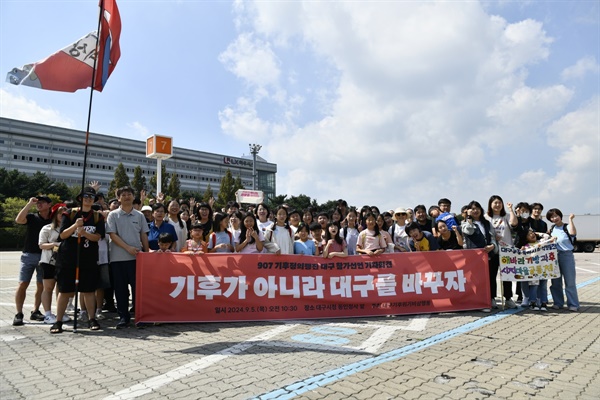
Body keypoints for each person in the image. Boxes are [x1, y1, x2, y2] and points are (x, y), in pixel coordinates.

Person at [51, 187, 105, 333]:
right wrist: (75, 226)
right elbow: (62, 235)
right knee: (64, 290)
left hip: (88, 258)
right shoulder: (69, 213)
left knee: (88, 290)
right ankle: (58, 321)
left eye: (91, 196)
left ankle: (91, 318)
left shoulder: (97, 216)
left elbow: (98, 236)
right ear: (80, 198)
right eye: (85, 196)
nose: (88, 199)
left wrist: (84, 233)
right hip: (68, 258)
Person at [106, 186, 150, 329]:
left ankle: (140, 316)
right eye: (123, 195)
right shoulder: (113, 215)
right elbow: (112, 235)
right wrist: (128, 248)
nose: (126, 197)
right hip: (118, 258)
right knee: (121, 289)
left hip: (137, 258)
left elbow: (144, 235)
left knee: (138, 289)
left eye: (129, 194)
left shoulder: (139, 215)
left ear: (133, 196)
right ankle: (124, 317)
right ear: (118, 198)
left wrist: (147, 253)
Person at [13, 195, 52, 325]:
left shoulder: (53, 219)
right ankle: (19, 313)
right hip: (29, 255)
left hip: (45, 256)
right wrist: (29, 204)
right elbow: (19, 220)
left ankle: (35, 311)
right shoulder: (32, 217)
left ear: (49, 204)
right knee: (23, 283)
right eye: (38, 203)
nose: (39, 204)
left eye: (42, 202)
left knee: (41, 285)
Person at [462, 200, 499, 312]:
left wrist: (492, 246)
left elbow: (492, 237)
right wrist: (469, 219)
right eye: (472, 209)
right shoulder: (465, 223)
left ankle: (491, 298)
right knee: (478, 280)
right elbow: (468, 231)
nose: (475, 211)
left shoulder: (487, 223)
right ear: (468, 211)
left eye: (477, 208)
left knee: (491, 278)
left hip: (489, 255)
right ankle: (481, 302)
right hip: (475, 258)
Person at [486, 195, 518, 308]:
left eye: (500, 202)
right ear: (490, 204)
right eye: (495, 203)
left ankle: (508, 298)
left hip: (507, 251)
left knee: (507, 275)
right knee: (491, 276)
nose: (497, 205)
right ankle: (492, 298)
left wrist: (511, 209)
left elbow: (514, 223)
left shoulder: (506, 216)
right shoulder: (486, 217)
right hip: (493, 251)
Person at [38, 203, 67, 324]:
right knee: (48, 287)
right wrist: (54, 244)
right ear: (55, 215)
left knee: (61, 288)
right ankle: (48, 314)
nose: (62, 215)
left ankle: (61, 312)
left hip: (63, 262)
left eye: (65, 213)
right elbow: (41, 245)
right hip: (48, 261)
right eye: (60, 213)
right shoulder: (47, 228)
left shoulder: (68, 228)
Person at [547, 209, 580, 312]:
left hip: (566, 255)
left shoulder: (567, 227)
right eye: (552, 217)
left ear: (560, 216)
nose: (554, 218)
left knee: (570, 281)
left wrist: (570, 219)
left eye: (556, 216)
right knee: (555, 281)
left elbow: (573, 233)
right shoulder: (552, 228)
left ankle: (573, 304)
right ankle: (558, 303)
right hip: (554, 256)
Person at [521, 228, 552, 311]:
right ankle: (533, 302)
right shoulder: (526, 246)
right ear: (525, 238)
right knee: (534, 286)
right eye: (529, 234)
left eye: (532, 233)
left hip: (544, 268)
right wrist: (522, 251)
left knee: (543, 286)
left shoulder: (541, 242)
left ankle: (543, 303)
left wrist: (538, 233)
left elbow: (547, 236)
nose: (532, 235)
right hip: (533, 270)